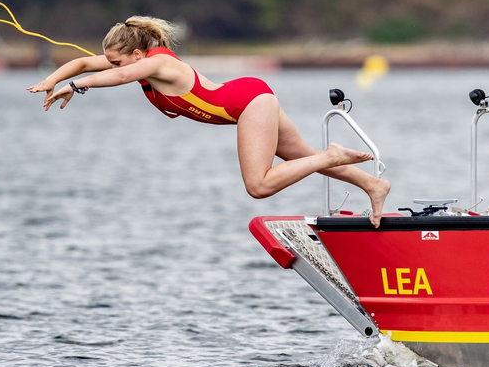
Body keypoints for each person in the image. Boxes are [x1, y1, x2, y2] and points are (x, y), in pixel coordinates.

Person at [27, 16, 391, 226]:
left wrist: (76, 86)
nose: (113, 66)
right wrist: (53, 79)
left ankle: (331, 155)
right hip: (250, 98)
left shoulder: (158, 63)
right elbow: (83, 63)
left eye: (118, 61)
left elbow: (117, 77)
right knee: (298, 156)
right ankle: (373, 187)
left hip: (248, 103)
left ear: (136, 54)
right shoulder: (136, 63)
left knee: (259, 186)